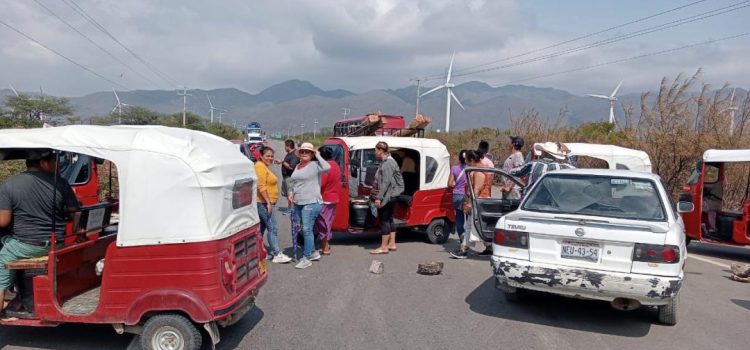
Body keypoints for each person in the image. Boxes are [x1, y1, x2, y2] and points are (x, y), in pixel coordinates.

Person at [0, 149, 80, 316]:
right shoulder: (61, 183)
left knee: (2, 265)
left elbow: (3, 221)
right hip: (56, 243)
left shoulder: (10, 184)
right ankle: (19, 297)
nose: (57, 166)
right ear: (43, 163)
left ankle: (8, 294)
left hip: (26, 246)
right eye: (54, 162)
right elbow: (74, 212)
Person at [289, 142, 331, 269]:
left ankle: (306, 257)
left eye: (307, 152)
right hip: (298, 202)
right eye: (302, 152)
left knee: (307, 229)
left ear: (312, 154)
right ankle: (313, 252)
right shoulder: (298, 166)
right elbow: (294, 181)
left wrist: (318, 155)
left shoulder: (315, 165)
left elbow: (327, 167)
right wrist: (291, 192)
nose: (304, 154)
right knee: (302, 228)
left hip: (311, 202)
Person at [255, 146, 292, 264]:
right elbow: (261, 186)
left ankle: (257, 252)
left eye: (271, 156)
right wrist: (268, 203)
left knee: (262, 229)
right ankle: (277, 254)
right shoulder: (259, 166)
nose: (270, 158)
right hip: (264, 203)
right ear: (261, 156)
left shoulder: (264, 166)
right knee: (273, 228)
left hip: (267, 202)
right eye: (267, 156)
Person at [450, 150, 487, 259]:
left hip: (477, 203)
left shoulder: (479, 172)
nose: (465, 161)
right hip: (476, 202)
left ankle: (464, 249)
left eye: (466, 160)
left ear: (471, 160)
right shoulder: (474, 170)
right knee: (479, 227)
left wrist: (470, 203)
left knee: (469, 226)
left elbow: (476, 190)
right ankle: (489, 247)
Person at [370, 141, 405, 254]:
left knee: (384, 220)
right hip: (392, 194)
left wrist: (379, 197)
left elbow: (386, 182)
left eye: (375, 151)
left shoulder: (388, 164)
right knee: (390, 219)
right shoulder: (387, 162)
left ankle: (384, 247)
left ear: (381, 151)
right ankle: (392, 243)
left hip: (388, 195)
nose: (375, 153)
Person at [510, 141, 575, 189]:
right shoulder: (561, 167)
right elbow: (574, 167)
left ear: (544, 152)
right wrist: (568, 151)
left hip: (532, 202)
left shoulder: (533, 164)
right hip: (551, 203)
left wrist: (509, 170)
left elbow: (517, 172)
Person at [315, 147, 341, 255]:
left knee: (323, 224)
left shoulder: (325, 167)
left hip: (325, 198)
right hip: (333, 198)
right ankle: (325, 244)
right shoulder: (335, 165)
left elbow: (322, 183)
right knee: (327, 222)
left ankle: (326, 246)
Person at [448, 150, 469, 241]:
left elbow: (449, 184)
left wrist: (456, 185)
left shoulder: (454, 168)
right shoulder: (471, 169)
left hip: (457, 195)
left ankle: (462, 236)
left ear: (459, 158)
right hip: (467, 195)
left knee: (459, 218)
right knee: (469, 219)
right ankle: (467, 238)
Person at [280, 140, 300, 215]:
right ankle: (289, 208)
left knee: (290, 194)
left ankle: (291, 209)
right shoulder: (289, 154)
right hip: (286, 177)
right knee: (288, 194)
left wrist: (283, 162)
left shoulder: (293, 155)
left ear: (288, 146)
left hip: (290, 178)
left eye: (285, 146)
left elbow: (291, 167)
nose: (284, 148)